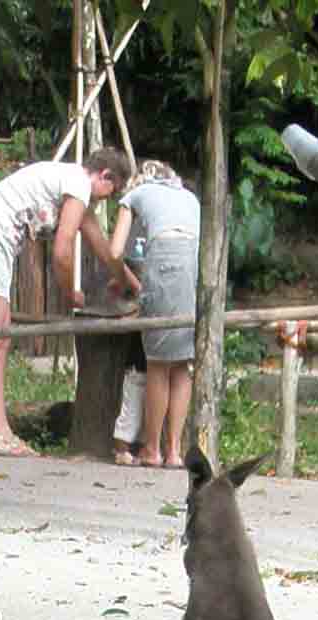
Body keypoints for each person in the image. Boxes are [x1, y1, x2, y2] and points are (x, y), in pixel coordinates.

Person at [0, 149, 140, 457]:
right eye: (110, 192)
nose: (103, 200)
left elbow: (104, 249)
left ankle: (1, 430)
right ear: (105, 176)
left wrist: (132, 283)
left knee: (0, 338)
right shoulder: (77, 183)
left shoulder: (70, 184)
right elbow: (63, 253)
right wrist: (70, 294)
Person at [106, 160, 202, 469]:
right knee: (183, 364)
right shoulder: (189, 197)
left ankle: (152, 449)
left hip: (164, 261)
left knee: (158, 364)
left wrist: (126, 281)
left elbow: (115, 251)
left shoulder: (134, 195)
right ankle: (174, 451)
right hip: (194, 266)